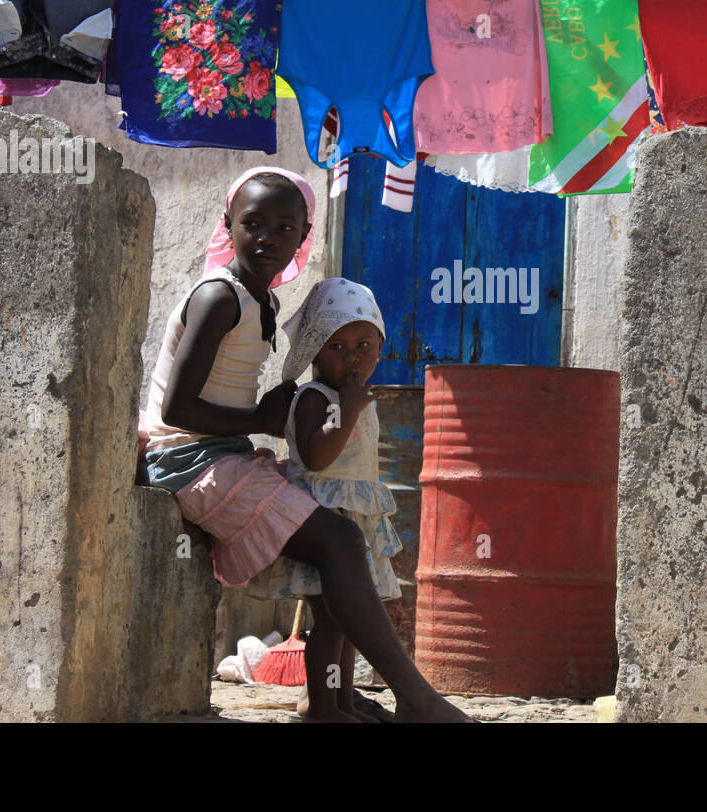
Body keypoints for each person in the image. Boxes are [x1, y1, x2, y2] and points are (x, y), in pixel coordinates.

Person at [138, 166, 468, 723]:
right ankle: (415, 698)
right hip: (182, 457)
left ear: (303, 235)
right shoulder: (220, 296)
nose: (268, 237)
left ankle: (333, 699)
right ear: (228, 225)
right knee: (338, 539)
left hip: (217, 452)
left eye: (284, 227)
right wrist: (261, 418)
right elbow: (177, 410)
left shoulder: (258, 302)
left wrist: (268, 414)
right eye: (253, 224)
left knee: (337, 548)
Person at [260, 277, 400, 722]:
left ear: (381, 347)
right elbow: (318, 456)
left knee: (349, 623)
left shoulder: (358, 399)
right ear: (316, 352)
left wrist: (357, 406)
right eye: (336, 346)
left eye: (363, 344)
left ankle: (340, 702)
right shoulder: (315, 398)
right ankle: (321, 706)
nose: (353, 356)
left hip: (351, 522)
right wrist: (349, 410)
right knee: (332, 621)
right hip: (319, 524)